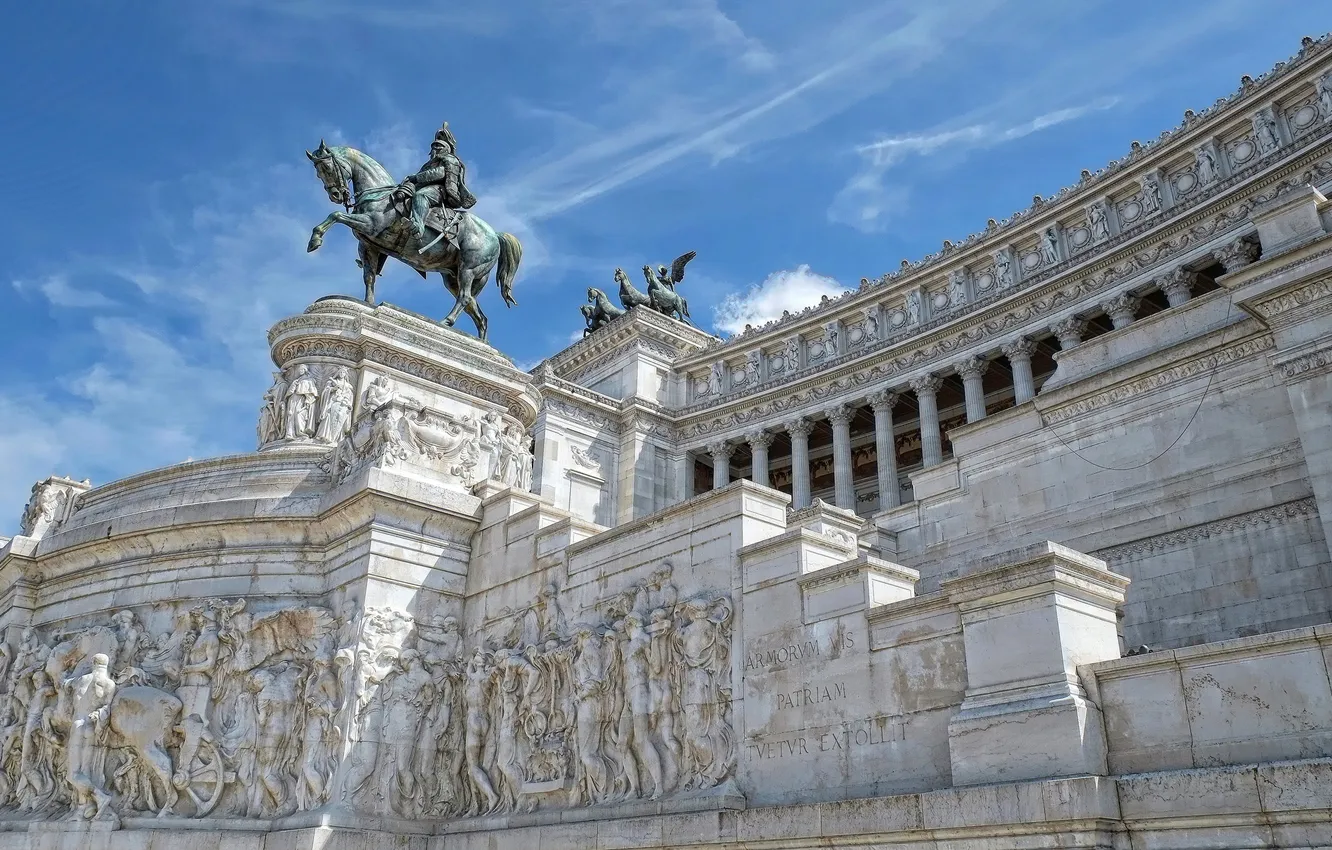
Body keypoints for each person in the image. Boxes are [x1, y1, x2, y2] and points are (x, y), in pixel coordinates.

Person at [394, 122, 477, 248]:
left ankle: (418, 227)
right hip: (427, 187)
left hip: (442, 190)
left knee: (421, 196)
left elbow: (439, 173)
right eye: (434, 146)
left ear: (446, 148)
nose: (435, 149)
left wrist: (415, 178)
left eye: (438, 146)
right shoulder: (429, 163)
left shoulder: (450, 159)